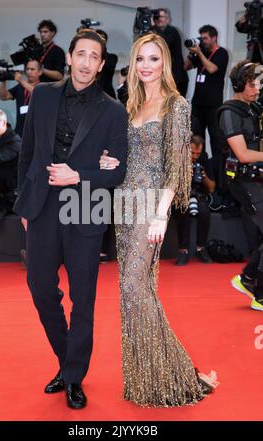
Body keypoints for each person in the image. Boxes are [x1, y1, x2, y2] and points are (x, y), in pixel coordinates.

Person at [99, 33, 217, 407]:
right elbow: (126, 158)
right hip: (125, 204)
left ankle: (175, 374)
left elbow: (177, 167)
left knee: (135, 290)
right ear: (132, 64)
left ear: (164, 62)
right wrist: (109, 163)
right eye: (140, 59)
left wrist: (161, 214)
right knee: (134, 292)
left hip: (151, 207)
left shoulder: (176, 105)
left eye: (153, 58)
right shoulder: (130, 104)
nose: (146, 66)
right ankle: (150, 377)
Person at [13, 29, 128, 409]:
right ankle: (67, 361)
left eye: (94, 56)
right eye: (81, 53)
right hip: (43, 205)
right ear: (70, 57)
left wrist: (79, 175)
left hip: (86, 206)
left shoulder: (113, 110)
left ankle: (74, 376)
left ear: (101, 64)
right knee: (40, 288)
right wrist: (25, 205)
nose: (86, 62)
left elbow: (117, 173)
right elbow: (27, 152)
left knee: (83, 299)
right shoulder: (42, 95)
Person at [219, 60, 263, 312]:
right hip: (242, 181)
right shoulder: (229, 112)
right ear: (238, 85)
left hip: (256, 177)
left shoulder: (252, 108)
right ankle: (252, 285)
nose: (257, 89)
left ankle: (251, 283)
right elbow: (243, 154)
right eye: (252, 84)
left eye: (258, 84)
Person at [184, 25, 229, 160]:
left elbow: (212, 69)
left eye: (205, 38)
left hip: (213, 105)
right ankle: (200, 168)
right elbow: (186, 66)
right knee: (197, 139)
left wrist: (200, 53)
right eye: (201, 38)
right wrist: (192, 53)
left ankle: (217, 172)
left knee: (215, 139)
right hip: (198, 103)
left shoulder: (222, 53)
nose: (203, 41)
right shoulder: (200, 52)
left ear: (214, 37)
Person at [174, 135, 215, 266]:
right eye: (193, 153)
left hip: (199, 195)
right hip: (180, 196)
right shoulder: (178, 159)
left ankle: (200, 248)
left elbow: (212, 188)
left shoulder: (204, 159)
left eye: (198, 153)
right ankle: (183, 250)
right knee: (183, 210)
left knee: (204, 212)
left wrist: (203, 175)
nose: (195, 156)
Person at [0, 59, 43, 137]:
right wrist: (3, 80)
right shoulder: (20, 86)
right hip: (20, 129)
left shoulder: (43, 87)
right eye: (27, 69)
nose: (29, 72)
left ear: (40, 72)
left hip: (36, 130)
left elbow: (36, 93)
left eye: (32, 69)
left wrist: (21, 81)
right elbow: (4, 96)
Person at [152, 8, 189, 96]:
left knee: (175, 107)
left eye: (162, 17)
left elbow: (164, 43)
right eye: (157, 17)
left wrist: (153, 26)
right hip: (167, 77)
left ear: (168, 19)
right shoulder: (154, 33)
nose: (159, 19)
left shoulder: (172, 31)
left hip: (177, 78)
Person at [95, 29, 118, 99]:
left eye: (102, 39)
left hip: (107, 95)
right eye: (97, 38)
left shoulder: (112, 57)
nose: (100, 41)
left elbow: (106, 67)